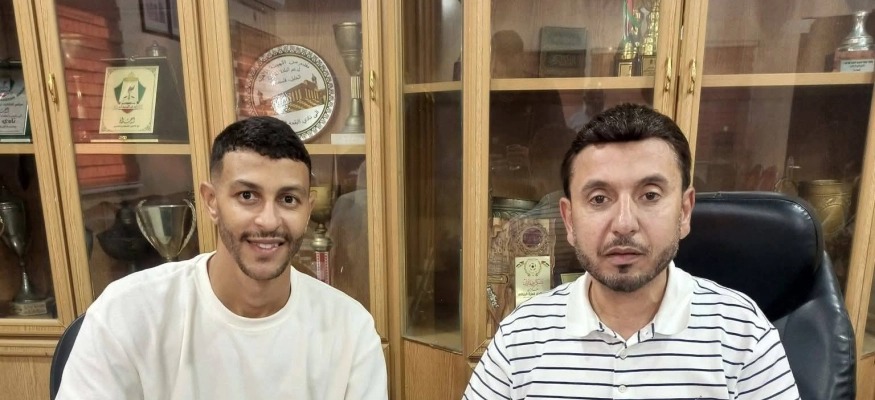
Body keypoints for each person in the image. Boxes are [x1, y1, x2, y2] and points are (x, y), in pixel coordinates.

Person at [463, 103, 799, 399]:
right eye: (599, 199)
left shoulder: (743, 335)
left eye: (650, 195)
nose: (624, 224)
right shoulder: (520, 337)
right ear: (568, 220)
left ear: (684, 212)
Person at [56, 116, 388, 399]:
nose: (269, 221)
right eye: (248, 195)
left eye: (288, 199)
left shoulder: (350, 330)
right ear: (211, 201)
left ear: (308, 207)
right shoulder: (126, 314)